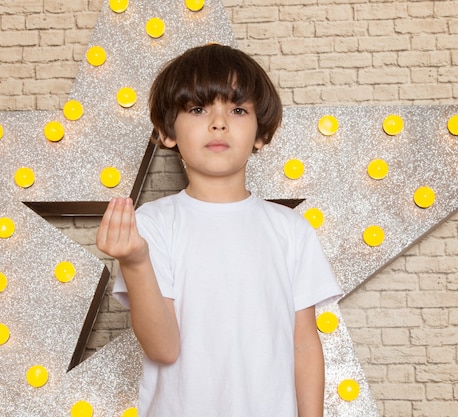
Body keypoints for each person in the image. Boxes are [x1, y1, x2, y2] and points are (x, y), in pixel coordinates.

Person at [96, 44, 342, 417]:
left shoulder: (290, 229)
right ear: (167, 131)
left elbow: (304, 346)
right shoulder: (152, 225)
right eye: (198, 109)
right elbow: (163, 348)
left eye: (238, 109)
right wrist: (135, 261)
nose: (219, 122)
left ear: (261, 134)